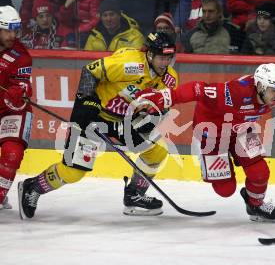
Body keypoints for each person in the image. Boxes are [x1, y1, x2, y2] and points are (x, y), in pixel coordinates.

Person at [17, 32, 179, 219]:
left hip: (123, 121)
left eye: (169, 57)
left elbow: (161, 108)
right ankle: (32, 187)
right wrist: (86, 103)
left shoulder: (171, 79)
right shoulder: (130, 64)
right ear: (149, 54)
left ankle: (135, 195)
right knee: (74, 171)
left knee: (157, 150)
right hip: (96, 113)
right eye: (161, 57)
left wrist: (147, 120)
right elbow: (89, 71)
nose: (165, 63)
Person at [134, 63, 275, 222]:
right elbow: (198, 89)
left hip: (242, 131)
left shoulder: (271, 90)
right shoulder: (234, 93)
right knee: (225, 189)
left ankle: (256, 205)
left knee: (260, 172)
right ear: (260, 86)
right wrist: (166, 97)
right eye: (273, 91)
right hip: (211, 137)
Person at [0, 6, 33, 210]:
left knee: (12, 152)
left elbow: (21, 95)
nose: (12, 35)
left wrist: (15, 94)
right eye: (7, 30)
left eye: (15, 30)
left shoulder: (21, 56)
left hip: (12, 111)